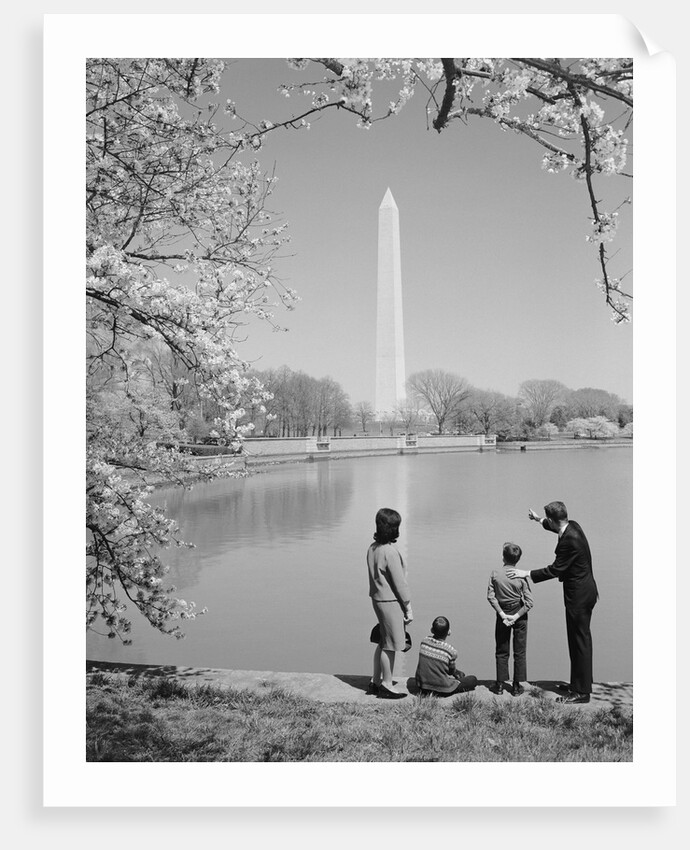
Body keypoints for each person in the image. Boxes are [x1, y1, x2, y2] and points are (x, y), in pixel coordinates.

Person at [506, 501, 598, 704]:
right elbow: (554, 526)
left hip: (579, 596)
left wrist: (526, 573)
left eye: (548, 519)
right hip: (584, 592)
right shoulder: (572, 525)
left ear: (555, 520)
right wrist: (539, 520)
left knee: (580, 641)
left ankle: (581, 693)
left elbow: (556, 569)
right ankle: (579, 683)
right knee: (577, 640)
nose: (547, 522)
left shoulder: (570, 541)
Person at [367, 507, 413, 699]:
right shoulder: (390, 553)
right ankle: (387, 683)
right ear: (393, 529)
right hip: (390, 601)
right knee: (391, 645)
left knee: (383, 641)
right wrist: (408, 607)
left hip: (378, 598)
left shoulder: (373, 548)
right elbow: (400, 584)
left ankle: (375, 680)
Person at [487, 542, 533, 696]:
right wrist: (516, 616)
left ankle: (499, 685)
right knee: (519, 651)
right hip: (519, 614)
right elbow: (529, 602)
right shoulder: (520, 576)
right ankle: (516, 686)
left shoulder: (495, 574)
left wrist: (502, 614)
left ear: (503, 557)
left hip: (502, 614)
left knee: (501, 649)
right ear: (518, 560)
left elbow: (491, 597)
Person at [414, 616, 478, 697]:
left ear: (432, 630)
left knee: (455, 672)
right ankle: (455, 681)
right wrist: (455, 672)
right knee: (473, 680)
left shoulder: (424, 642)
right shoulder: (450, 650)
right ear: (449, 632)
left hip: (422, 686)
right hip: (442, 689)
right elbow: (450, 672)